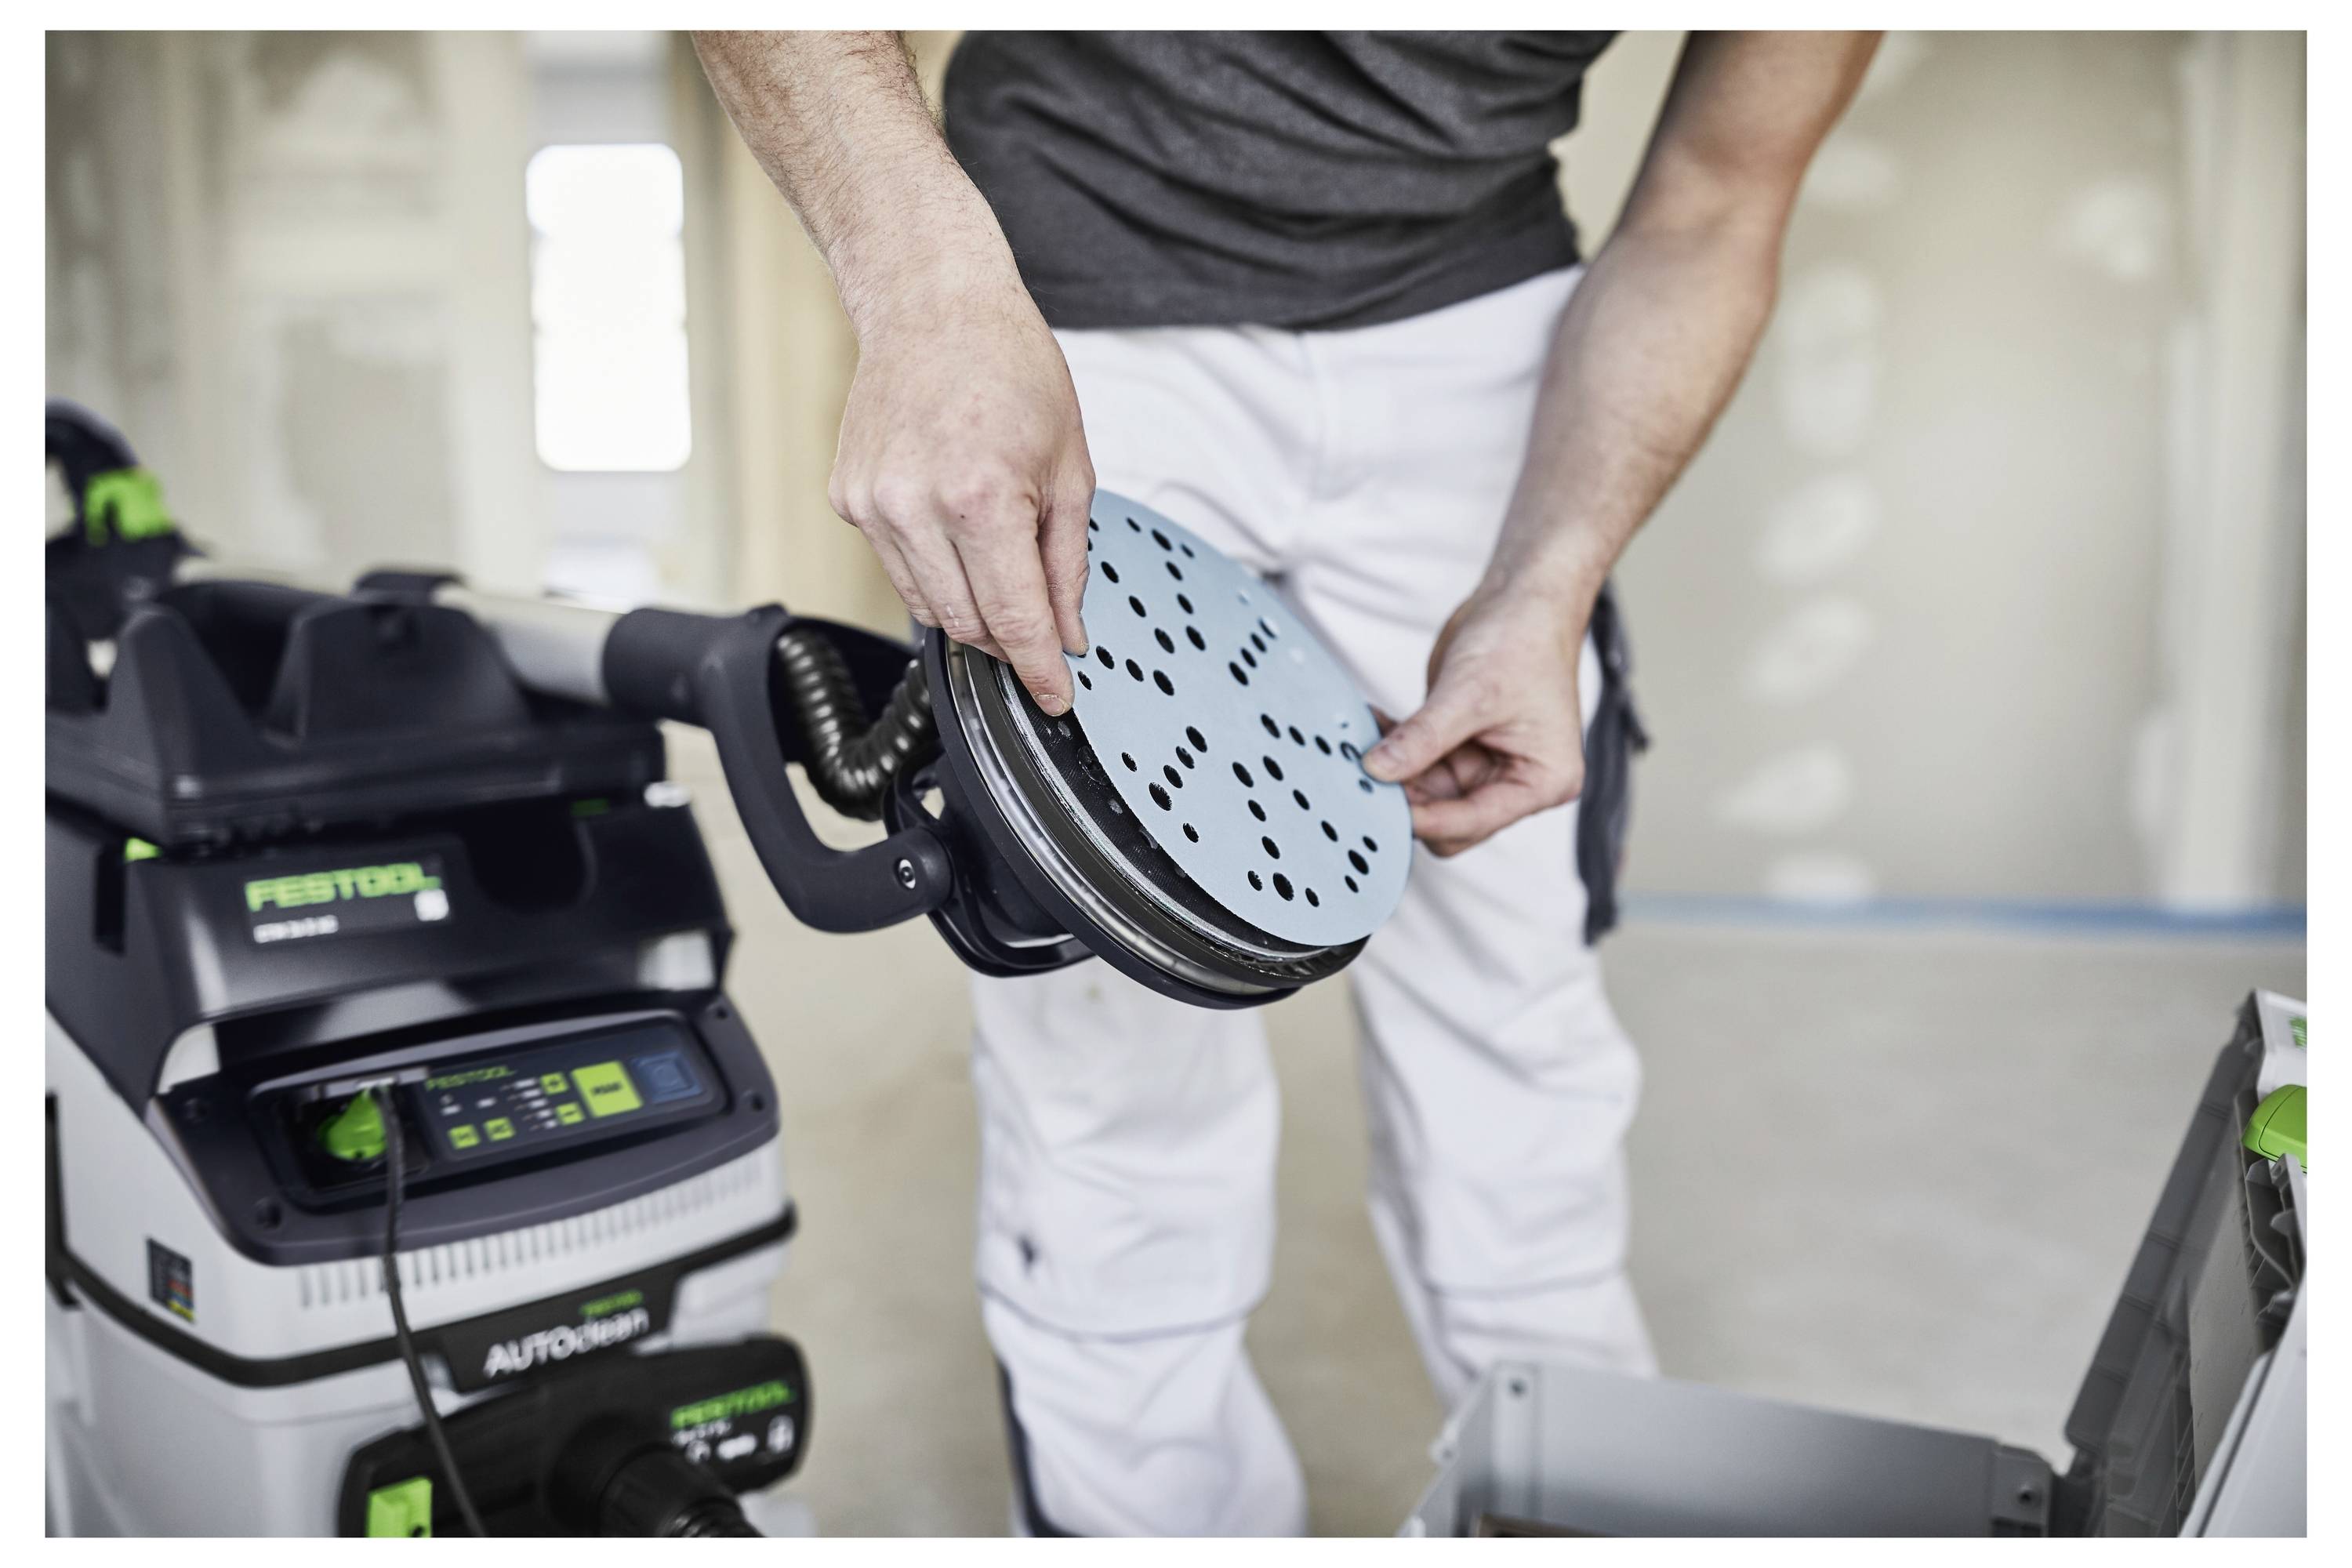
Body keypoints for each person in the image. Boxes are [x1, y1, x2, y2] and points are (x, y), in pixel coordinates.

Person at [695, 28, 1878, 1536]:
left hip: (1478, 316)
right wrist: (928, 301)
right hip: (1070, 290)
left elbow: (1717, 196)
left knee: (1521, 1038)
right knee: (1113, 1059)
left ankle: (1591, 1505)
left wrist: (1550, 577)